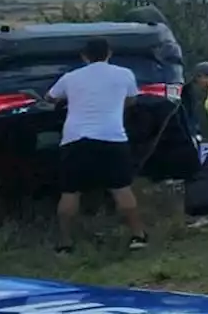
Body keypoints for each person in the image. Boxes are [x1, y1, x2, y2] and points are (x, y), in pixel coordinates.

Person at [48, 37, 148, 253]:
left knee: (70, 192)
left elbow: (51, 98)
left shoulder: (70, 77)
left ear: (84, 56)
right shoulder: (125, 74)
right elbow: (132, 100)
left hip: (75, 139)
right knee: (121, 189)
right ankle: (138, 236)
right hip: (112, 137)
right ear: (109, 54)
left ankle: (65, 243)